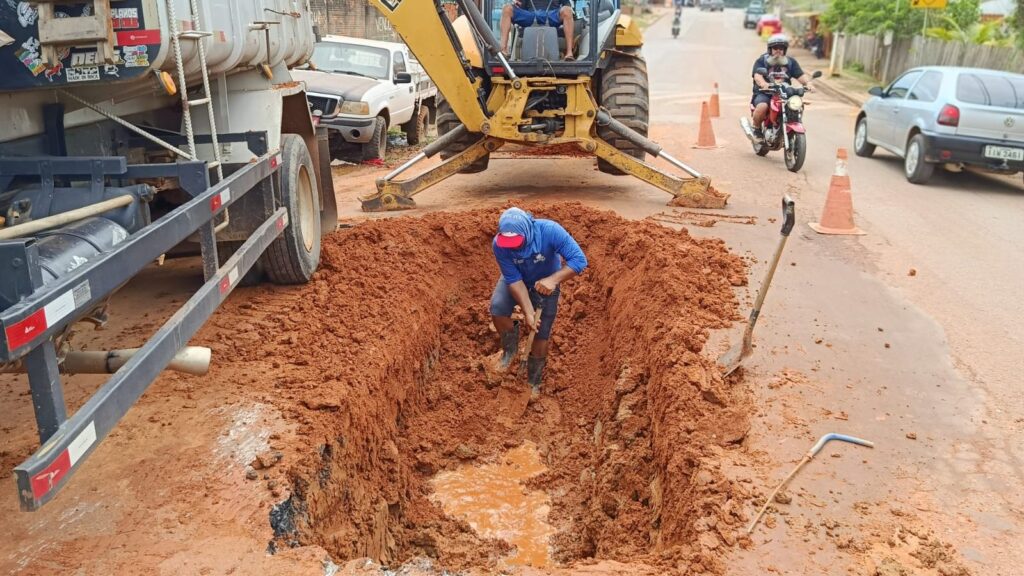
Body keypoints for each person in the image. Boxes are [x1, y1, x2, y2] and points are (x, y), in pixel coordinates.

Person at [491, 207, 587, 397]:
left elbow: (579, 260)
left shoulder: (550, 231)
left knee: (541, 331)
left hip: (546, 283)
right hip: (517, 279)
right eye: (508, 242)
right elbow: (514, 280)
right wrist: (528, 312)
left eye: (516, 242)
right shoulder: (499, 245)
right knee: (497, 307)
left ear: (526, 231)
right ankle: (510, 352)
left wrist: (552, 280)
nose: (512, 247)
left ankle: (533, 380)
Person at [750, 34, 815, 142]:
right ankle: (756, 130)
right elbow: (758, 75)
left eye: (781, 48)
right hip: (765, 92)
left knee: (796, 105)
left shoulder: (791, 62)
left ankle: (790, 125)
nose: (778, 51)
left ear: (785, 50)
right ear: (770, 49)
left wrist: (808, 84)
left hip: (784, 93)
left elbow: (800, 75)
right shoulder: (762, 61)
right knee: (762, 106)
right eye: (775, 48)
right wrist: (763, 84)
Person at [499, 0, 576, 60]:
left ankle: (569, 53)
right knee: (507, 9)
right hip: (530, 16)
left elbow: (567, 5)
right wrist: (516, 4)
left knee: (567, 10)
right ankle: (503, 51)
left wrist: (568, 8)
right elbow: (520, 6)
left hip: (551, 15)